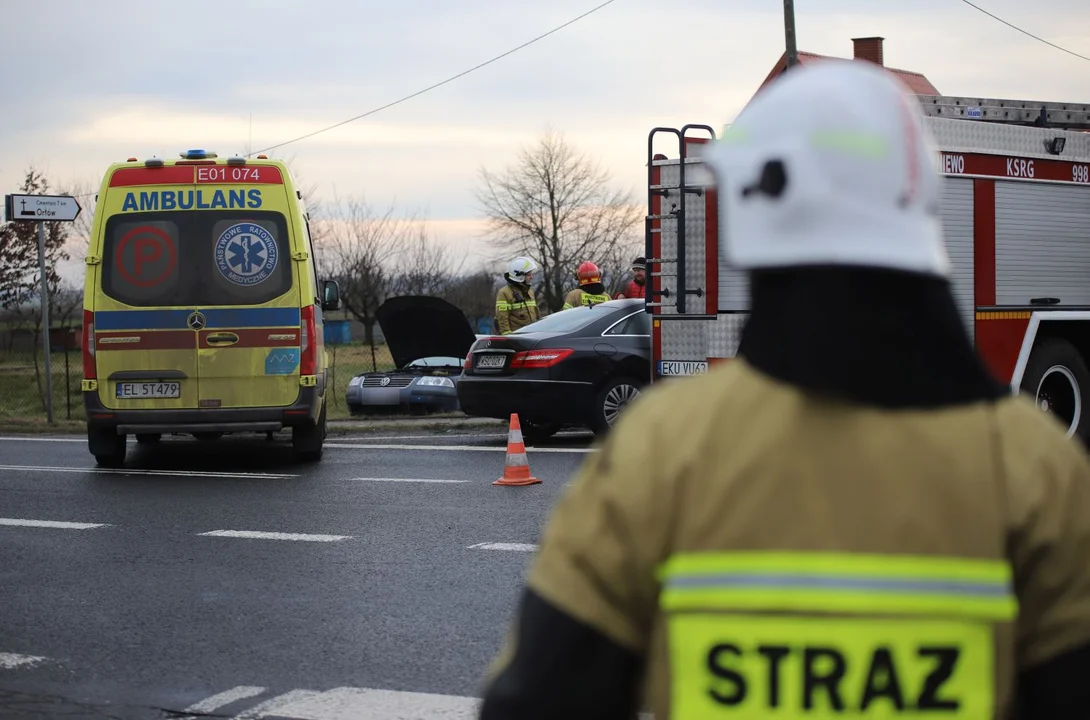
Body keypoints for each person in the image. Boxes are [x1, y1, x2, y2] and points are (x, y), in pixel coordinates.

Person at [478, 60, 1090, 719]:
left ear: (744, 212)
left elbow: (535, 700)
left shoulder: (663, 451)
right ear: (924, 199)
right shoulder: (1036, 469)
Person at [495, 256, 540, 335]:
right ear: (520, 276)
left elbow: (537, 314)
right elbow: (502, 319)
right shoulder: (504, 293)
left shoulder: (530, 292)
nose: (531, 277)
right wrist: (508, 338)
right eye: (529, 274)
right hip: (517, 339)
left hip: (532, 337)